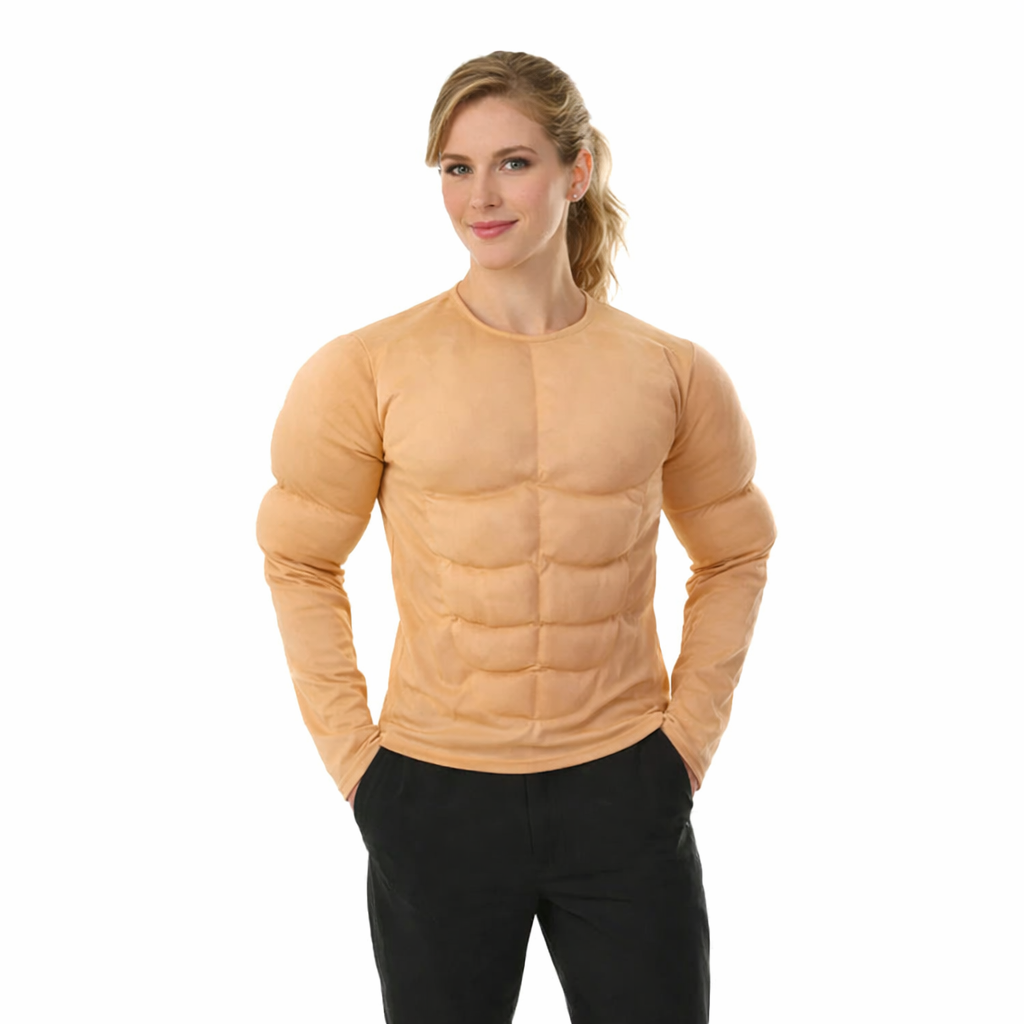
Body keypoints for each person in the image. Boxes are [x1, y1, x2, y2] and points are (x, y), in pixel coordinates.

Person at [255, 50, 776, 1024]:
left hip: (624, 786)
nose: (480, 196)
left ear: (577, 172)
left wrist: (687, 745)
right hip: (432, 793)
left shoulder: (672, 371)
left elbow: (736, 551)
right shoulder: (365, 368)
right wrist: (358, 764)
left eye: (513, 163)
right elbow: (298, 558)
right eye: (456, 167)